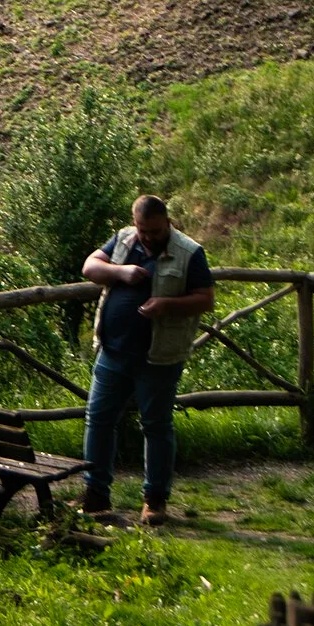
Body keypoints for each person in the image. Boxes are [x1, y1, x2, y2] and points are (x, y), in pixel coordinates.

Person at [79, 193, 215, 527]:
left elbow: (206, 299)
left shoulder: (190, 252)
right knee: (98, 420)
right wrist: (121, 272)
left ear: (167, 222)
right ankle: (95, 496)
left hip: (159, 356)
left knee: (155, 425)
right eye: (143, 230)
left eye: (154, 231)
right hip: (113, 351)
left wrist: (167, 305)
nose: (148, 237)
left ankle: (155, 500)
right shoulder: (124, 239)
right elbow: (89, 267)